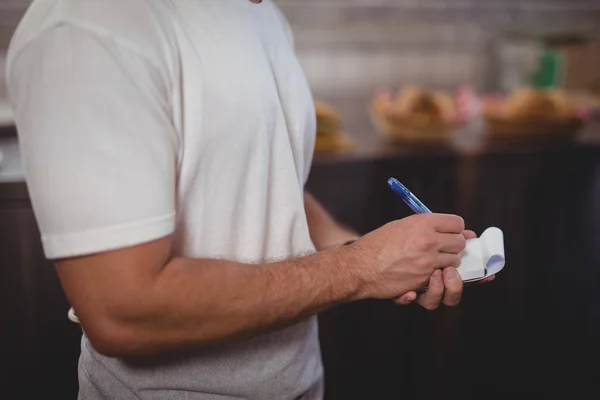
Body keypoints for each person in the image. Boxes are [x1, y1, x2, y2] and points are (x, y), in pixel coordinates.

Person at [6, 0, 493, 399]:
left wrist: (383, 256)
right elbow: (123, 310)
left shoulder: (261, 14)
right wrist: (362, 267)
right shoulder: (87, 31)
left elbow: (266, 182)